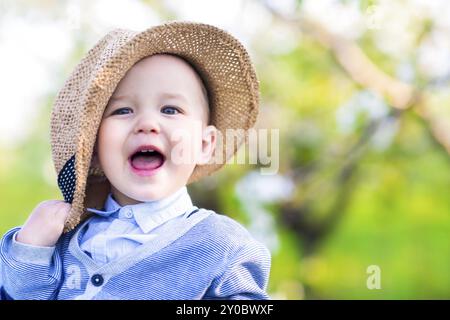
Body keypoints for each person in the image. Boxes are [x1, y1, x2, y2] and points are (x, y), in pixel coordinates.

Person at [0, 21, 270, 300]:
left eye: (170, 109)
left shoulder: (221, 245)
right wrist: (29, 252)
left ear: (204, 144)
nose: (147, 123)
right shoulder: (60, 243)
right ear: (92, 147)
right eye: (123, 110)